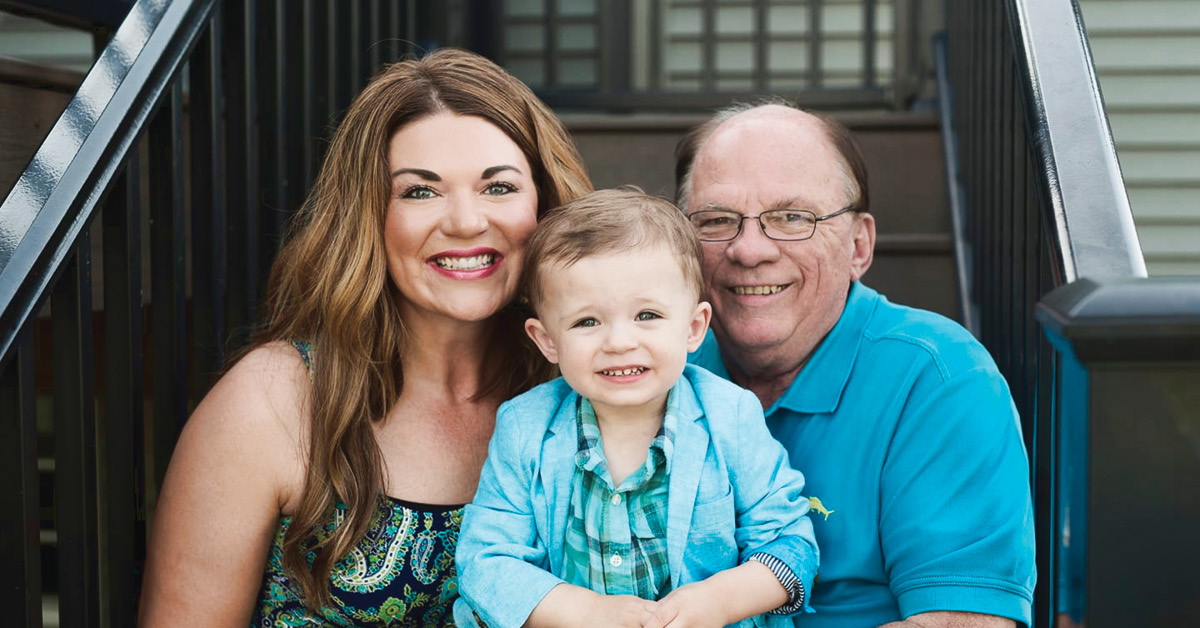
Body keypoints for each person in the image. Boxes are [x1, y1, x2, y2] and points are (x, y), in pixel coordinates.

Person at [138, 48, 592, 627]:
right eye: (420, 191)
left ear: (545, 205)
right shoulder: (273, 401)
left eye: (498, 187)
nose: (465, 222)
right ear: (367, 215)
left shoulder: (586, 383)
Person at [675, 102, 1037, 628]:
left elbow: (966, 622)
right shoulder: (652, 368)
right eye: (716, 220)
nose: (749, 250)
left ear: (859, 246)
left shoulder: (939, 378)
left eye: (792, 218)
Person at [454, 188, 820, 628]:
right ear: (547, 340)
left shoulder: (731, 417)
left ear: (693, 327)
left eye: (647, 315)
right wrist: (585, 612)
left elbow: (791, 544)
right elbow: (485, 561)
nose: (619, 342)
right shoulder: (525, 427)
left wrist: (719, 601)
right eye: (587, 321)